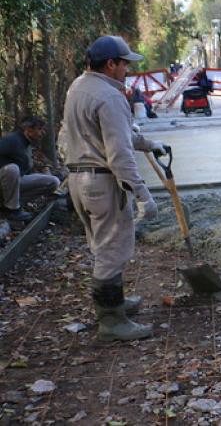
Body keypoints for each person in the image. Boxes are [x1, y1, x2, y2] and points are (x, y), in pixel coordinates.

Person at [61, 35, 166, 342]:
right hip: (102, 182)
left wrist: (149, 144)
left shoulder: (78, 87)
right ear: (110, 64)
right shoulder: (110, 97)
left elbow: (105, 134)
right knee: (112, 250)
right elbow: (119, 154)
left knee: (103, 246)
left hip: (79, 180)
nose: (127, 70)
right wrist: (143, 195)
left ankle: (115, 303)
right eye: (124, 64)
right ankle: (111, 321)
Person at [0, 116, 60, 222]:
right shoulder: (11, 140)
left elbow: (26, 170)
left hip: (13, 185)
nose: (43, 133)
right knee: (12, 169)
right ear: (29, 130)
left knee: (53, 182)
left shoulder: (27, 144)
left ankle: (8, 205)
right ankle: (12, 211)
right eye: (40, 129)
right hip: (3, 183)